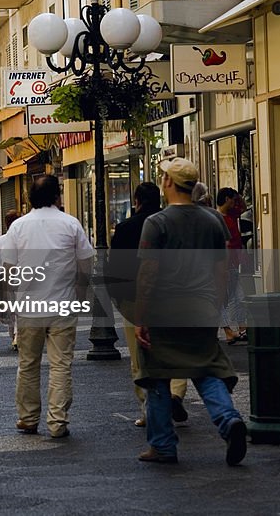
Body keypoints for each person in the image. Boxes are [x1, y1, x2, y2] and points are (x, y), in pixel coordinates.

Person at [134, 157, 247, 466]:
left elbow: (148, 273)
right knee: (206, 367)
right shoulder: (214, 220)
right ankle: (228, 419)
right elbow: (221, 269)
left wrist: (141, 318)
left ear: (169, 182)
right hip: (201, 307)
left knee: (156, 375)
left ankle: (162, 445)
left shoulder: (156, 223)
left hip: (163, 311)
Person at [2, 176, 93, 440]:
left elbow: (7, 270)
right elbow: (86, 263)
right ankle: (57, 422)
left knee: (28, 364)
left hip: (29, 308)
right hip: (63, 305)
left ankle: (28, 418)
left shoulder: (18, 227)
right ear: (57, 196)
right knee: (61, 365)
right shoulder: (71, 224)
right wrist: (80, 294)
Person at [105, 183, 189, 428]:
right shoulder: (174, 224)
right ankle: (175, 394)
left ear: (136, 200)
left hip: (133, 299)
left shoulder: (125, 228)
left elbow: (116, 270)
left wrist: (118, 299)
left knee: (139, 357)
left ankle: (148, 409)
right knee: (174, 349)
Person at [216, 188, 248, 345]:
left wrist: (238, 195)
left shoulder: (231, 214)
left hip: (234, 263)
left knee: (239, 296)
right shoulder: (217, 219)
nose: (234, 202)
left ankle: (241, 328)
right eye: (232, 199)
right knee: (223, 299)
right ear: (226, 199)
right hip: (223, 265)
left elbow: (244, 207)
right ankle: (228, 329)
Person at [0, 210, 20, 351]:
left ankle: (14, 336)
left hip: (5, 277)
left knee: (11, 309)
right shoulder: (25, 240)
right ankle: (18, 335)